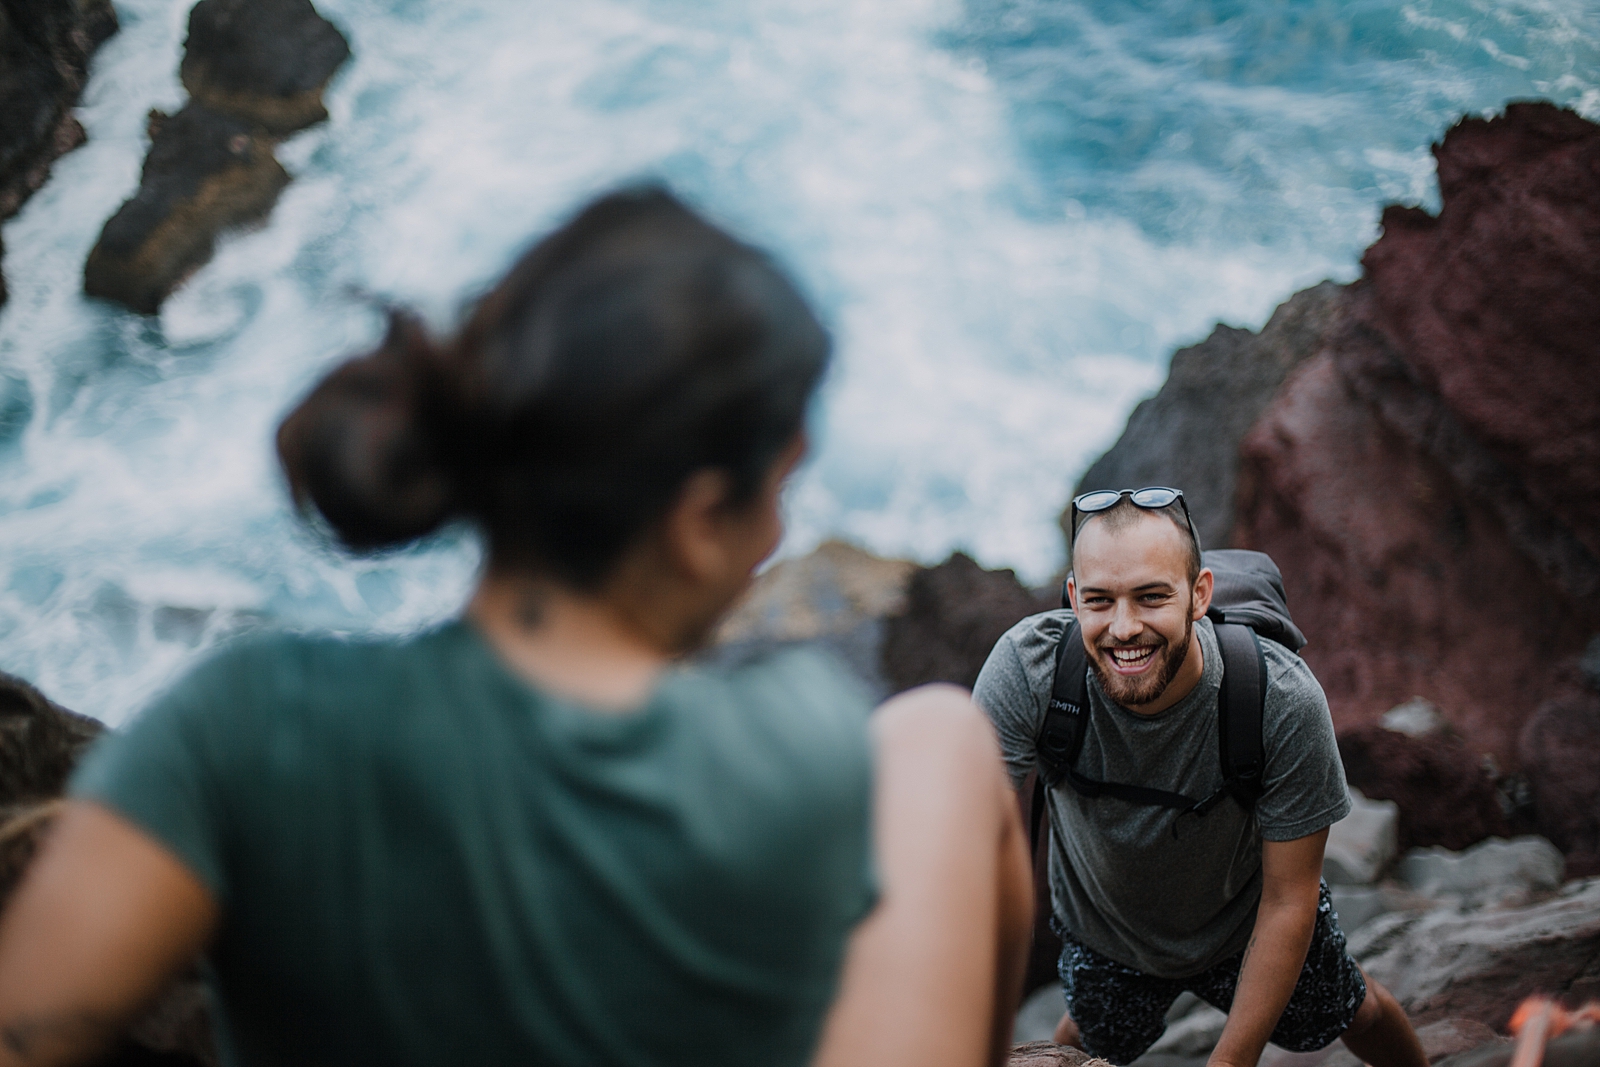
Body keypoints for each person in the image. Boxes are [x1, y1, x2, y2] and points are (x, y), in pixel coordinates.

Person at [0, 188, 1032, 1067]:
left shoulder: (248, 717)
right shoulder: (795, 749)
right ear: (695, 518)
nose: (776, 535)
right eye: (776, 489)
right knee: (940, 732)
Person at [974, 489, 1426, 1067]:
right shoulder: (1029, 671)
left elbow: (1291, 898)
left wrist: (1229, 1062)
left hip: (1245, 924)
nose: (1124, 627)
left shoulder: (1279, 700)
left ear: (1199, 595)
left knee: (1353, 1010)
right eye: (1099, 600)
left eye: (1151, 597)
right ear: (1073, 598)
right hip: (1108, 932)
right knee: (1083, 1040)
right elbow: (975, 857)